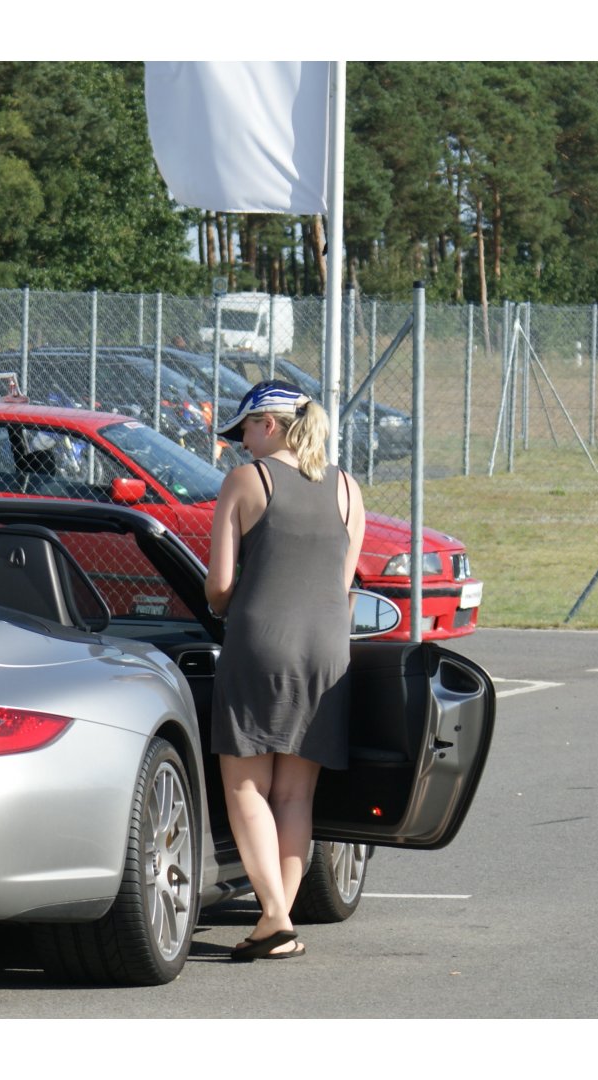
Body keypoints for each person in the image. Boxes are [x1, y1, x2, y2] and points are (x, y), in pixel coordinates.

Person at [205, 379, 365, 961]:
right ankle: (279, 919)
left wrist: (226, 600)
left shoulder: (249, 481)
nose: (241, 443)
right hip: (328, 654)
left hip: (260, 646)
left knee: (246, 785)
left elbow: (220, 586)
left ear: (268, 426)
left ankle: (273, 917)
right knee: (296, 795)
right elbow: (341, 584)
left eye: (244, 430)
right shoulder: (348, 488)